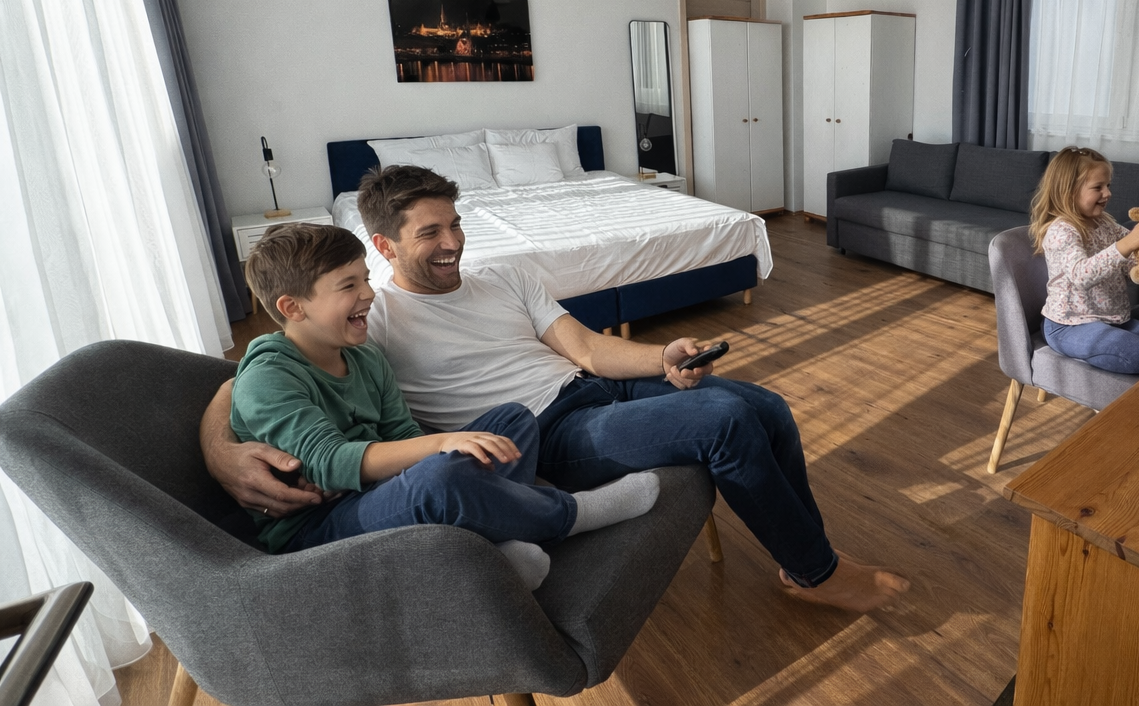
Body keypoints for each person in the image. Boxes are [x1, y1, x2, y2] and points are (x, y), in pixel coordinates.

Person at [202, 165, 909, 613]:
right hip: (549, 439)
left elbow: (588, 349)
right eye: (429, 233)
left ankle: (802, 560)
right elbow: (256, 374)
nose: (451, 242)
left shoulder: (507, 276)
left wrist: (662, 355)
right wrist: (219, 451)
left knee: (766, 404)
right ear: (384, 246)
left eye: (455, 223)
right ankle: (816, 573)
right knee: (724, 421)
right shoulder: (369, 316)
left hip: (591, 394)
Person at [232, 222, 658, 588]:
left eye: (365, 278)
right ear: (293, 308)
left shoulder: (364, 357)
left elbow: (403, 435)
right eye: (349, 286)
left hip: (376, 493)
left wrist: (441, 452)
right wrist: (442, 447)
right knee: (439, 479)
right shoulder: (268, 377)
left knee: (511, 419)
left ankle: (495, 546)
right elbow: (329, 461)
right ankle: (572, 514)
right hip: (317, 527)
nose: (369, 293)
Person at [1030, 147, 1139, 374]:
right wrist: (1128, 244)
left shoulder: (1105, 223)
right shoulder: (1062, 230)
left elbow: (1129, 264)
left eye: (1108, 186)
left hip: (1114, 318)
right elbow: (1081, 276)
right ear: (1068, 193)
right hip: (1069, 325)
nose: (1107, 193)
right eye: (1098, 187)